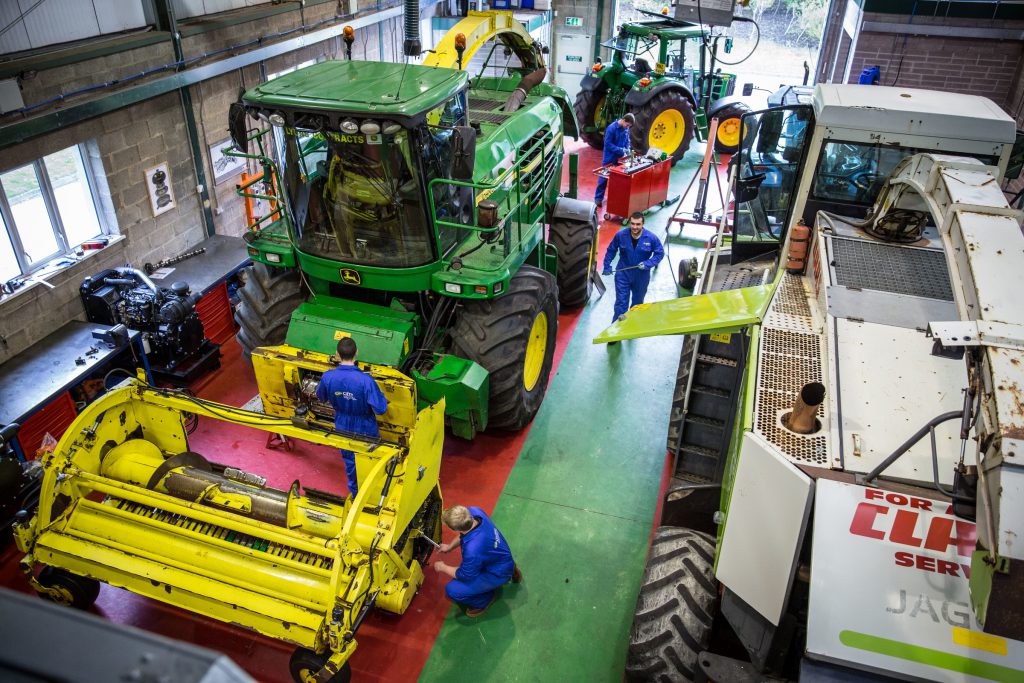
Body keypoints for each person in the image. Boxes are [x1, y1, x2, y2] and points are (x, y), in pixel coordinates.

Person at [315, 337, 388, 497]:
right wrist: (381, 396)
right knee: (370, 461)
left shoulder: (328, 377)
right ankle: (373, 496)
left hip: (342, 425)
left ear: (337, 354)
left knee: (350, 463)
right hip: (365, 428)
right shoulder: (366, 381)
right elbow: (381, 409)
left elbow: (321, 397)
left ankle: (356, 495)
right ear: (357, 352)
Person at [432, 504, 522, 618]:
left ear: (456, 529)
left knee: (452, 590)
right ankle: (512, 569)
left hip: (498, 572)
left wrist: (442, 567)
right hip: (501, 556)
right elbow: (464, 534)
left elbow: (465, 575)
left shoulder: (473, 550)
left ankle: (485, 600)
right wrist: (449, 547)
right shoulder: (475, 512)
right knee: (487, 556)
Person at [602, 212, 665, 324]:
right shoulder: (621, 235)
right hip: (623, 274)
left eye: (638, 224)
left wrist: (648, 263)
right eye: (632, 224)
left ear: (643, 224)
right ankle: (615, 331)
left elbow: (659, 253)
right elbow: (611, 250)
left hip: (641, 276)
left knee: (637, 304)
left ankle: (632, 325)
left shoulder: (651, 238)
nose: (635, 227)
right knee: (621, 304)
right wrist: (607, 265)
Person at [594, 113, 634, 207]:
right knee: (603, 178)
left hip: (620, 158)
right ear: (624, 120)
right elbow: (607, 144)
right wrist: (620, 150)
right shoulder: (611, 129)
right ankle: (598, 199)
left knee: (618, 178)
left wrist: (627, 149)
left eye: (629, 126)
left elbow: (627, 140)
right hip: (609, 157)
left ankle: (614, 199)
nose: (627, 127)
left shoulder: (626, 129)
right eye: (627, 125)